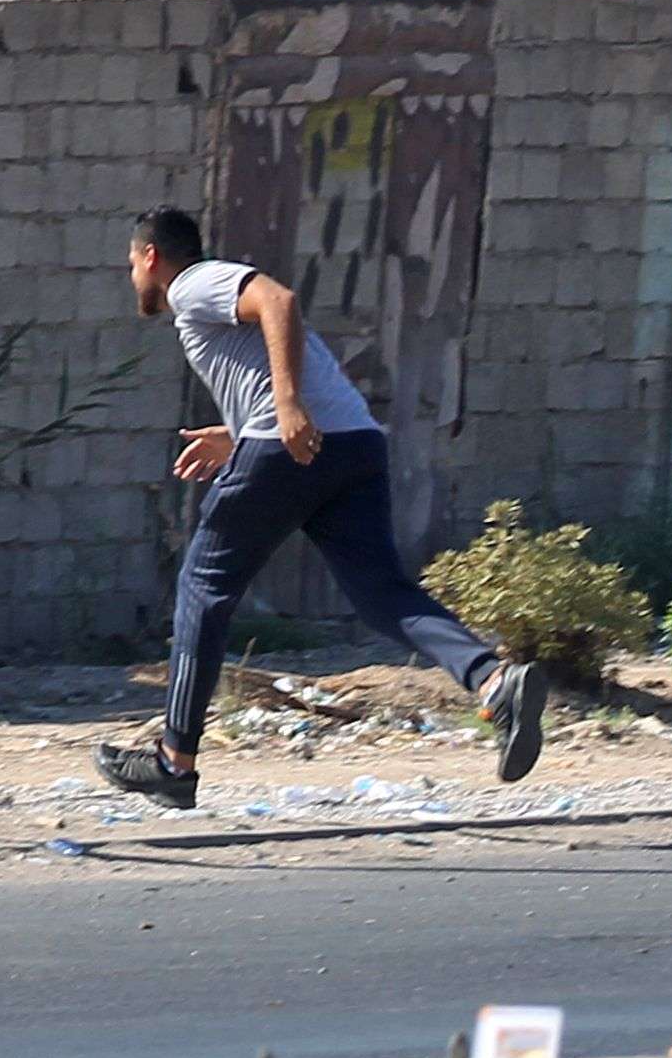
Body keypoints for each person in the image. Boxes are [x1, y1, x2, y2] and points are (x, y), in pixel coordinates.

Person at [94, 206, 546, 810]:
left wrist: (282, 410)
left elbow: (277, 300)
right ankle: (495, 681)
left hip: (288, 447)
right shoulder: (201, 304)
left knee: (203, 586)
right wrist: (237, 433)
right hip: (352, 445)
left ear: (151, 256)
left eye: (131, 265)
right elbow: (278, 373)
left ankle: (174, 761)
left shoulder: (193, 283)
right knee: (382, 593)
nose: (134, 280)